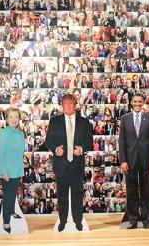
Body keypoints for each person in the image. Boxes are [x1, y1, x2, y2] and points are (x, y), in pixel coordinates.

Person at [45, 94, 93, 232]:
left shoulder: (84, 122)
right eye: (65, 104)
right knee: (62, 194)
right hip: (61, 164)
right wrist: (55, 149)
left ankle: (78, 221)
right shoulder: (55, 121)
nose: (68, 106)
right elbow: (49, 140)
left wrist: (82, 149)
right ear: (62, 106)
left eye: (71, 104)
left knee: (78, 194)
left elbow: (89, 141)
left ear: (75, 105)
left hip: (77, 164)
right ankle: (63, 221)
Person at [118, 94, 149, 229]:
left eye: (140, 101)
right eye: (135, 101)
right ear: (131, 103)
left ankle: (146, 220)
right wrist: (123, 161)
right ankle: (133, 221)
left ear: (143, 103)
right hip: (130, 161)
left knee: (146, 191)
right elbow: (121, 141)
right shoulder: (125, 119)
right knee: (132, 191)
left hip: (146, 161)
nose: (137, 104)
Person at [0, 107, 25, 233]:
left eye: (16, 117)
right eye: (11, 117)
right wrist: (4, 172)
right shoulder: (3, 133)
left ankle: (12, 212)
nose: (14, 120)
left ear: (19, 118)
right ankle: (6, 222)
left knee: (13, 194)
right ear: (6, 119)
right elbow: (0, 154)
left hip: (17, 170)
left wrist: (20, 171)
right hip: (7, 171)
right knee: (8, 197)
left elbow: (20, 154)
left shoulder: (20, 133)